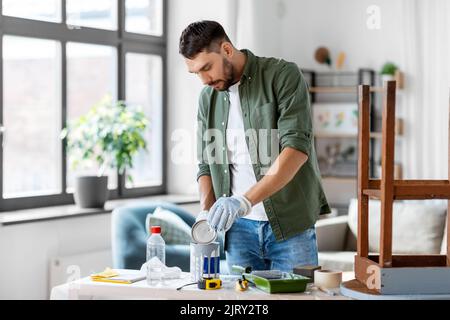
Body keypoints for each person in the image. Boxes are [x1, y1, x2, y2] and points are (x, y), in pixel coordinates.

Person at [179, 20, 330, 273]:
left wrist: (243, 201)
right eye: (196, 73)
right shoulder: (208, 97)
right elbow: (206, 161)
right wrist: (206, 212)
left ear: (227, 50)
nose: (204, 80)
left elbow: (296, 150)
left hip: (290, 225)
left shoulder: (283, 75)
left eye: (207, 67)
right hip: (237, 232)